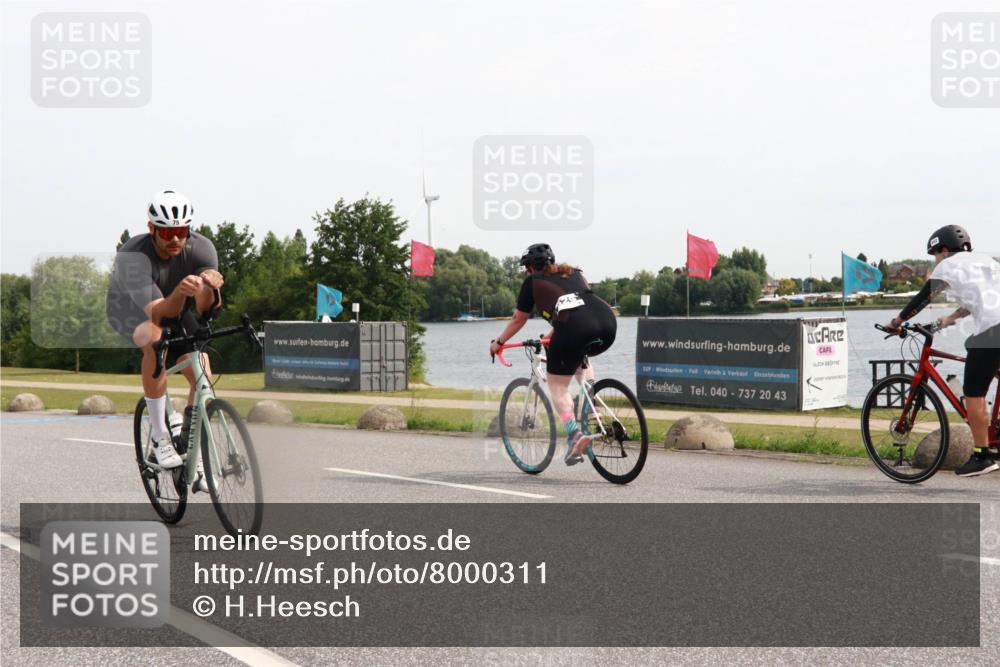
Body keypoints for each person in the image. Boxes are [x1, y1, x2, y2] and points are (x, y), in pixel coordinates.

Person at [106, 190, 224, 470]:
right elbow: (159, 314)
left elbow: (206, 311)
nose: (175, 239)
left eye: (181, 232)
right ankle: (160, 436)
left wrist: (208, 288)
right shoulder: (132, 255)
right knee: (154, 340)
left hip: (177, 306)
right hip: (131, 310)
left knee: (202, 368)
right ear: (152, 229)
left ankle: (189, 440)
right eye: (168, 232)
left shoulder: (203, 248)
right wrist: (182, 291)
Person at [887, 225, 1000, 477]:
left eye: (935, 255)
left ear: (945, 250)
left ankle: (982, 456)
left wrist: (897, 322)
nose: (936, 261)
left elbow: (924, 297)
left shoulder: (948, 265)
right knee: (972, 346)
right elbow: (981, 300)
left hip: (994, 328)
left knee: (974, 391)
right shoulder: (985, 261)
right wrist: (949, 319)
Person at [489, 243, 617, 465]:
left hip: (576, 328)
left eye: (526, 268)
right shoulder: (573, 272)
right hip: (607, 324)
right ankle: (592, 404)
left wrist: (499, 343)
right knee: (579, 353)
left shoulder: (533, 281)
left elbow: (519, 319)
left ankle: (575, 435)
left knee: (557, 385)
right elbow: (576, 309)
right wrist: (552, 335)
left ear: (530, 267)